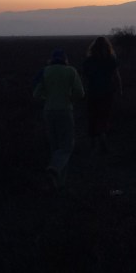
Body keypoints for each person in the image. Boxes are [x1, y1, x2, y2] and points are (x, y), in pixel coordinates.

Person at [33, 49, 85, 190]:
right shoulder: (71, 71)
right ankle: (54, 169)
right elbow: (80, 93)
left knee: (55, 147)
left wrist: (48, 99)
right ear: (65, 60)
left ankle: (58, 183)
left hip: (48, 111)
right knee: (67, 146)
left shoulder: (45, 71)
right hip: (65, 111)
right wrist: (70, 100)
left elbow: (36, 94)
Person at [82, 37, 122, 155]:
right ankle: (103, 138)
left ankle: (93, 143)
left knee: (92, 116)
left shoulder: (88, 61)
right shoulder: (111, 59)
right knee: (104, 116)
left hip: (93, 92)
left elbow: (84, 77)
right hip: (107, 92)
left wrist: (82, 91)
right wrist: (120, 89)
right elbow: (117, 76)